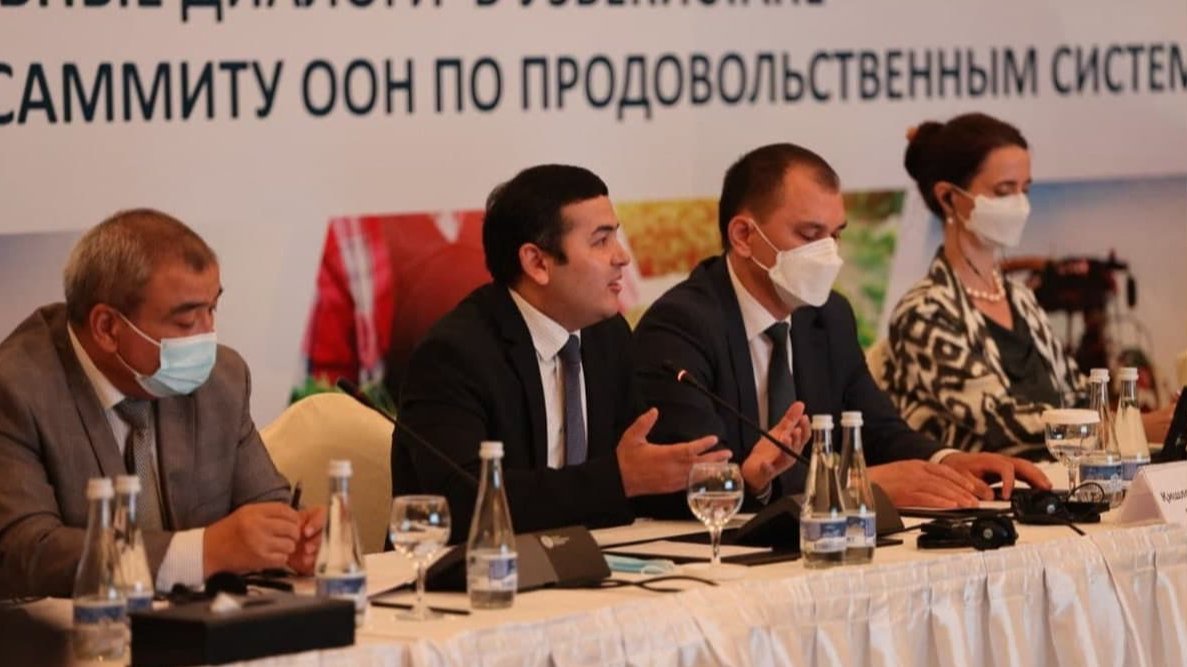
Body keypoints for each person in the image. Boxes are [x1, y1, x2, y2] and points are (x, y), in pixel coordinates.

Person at [633, 143, 1049, 512]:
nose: (829, 254)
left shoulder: (828, 316)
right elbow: (703, 477)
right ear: (743, 235)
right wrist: (852, 485)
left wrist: (947, 461)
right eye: (810, 235)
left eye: (835, 235)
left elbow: (877, 429)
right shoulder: (681, 326)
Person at [392, 165, 761, 544]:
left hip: (589, 564)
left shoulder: (607, 336)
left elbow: (639, 485)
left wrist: (744, 480)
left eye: (616, 236)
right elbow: (464, 500)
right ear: (537, 262)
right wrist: (617, 479)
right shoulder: (454, 356)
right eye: (601, 241)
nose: (622, 257)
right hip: (470, 570)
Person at [0, 209, 323, 599]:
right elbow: (23, 553)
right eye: (186, 323)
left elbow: (266, 504)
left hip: (201, 626)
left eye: (212, 309)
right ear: (107, 327)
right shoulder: (17, 389)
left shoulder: (221, 379)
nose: (207, 336)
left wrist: (294, 539)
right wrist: (203, 553)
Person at [882, 113, 1177, 456]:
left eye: (1024, 190)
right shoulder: (923, 312)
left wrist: (1151, 417)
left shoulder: (1021, 299)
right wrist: (1125, 427)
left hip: (1062, 476)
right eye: (1003, 191)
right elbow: (999, 422)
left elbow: (1077, 394)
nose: (1020, 205)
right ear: (949, 198)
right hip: (988, 486)